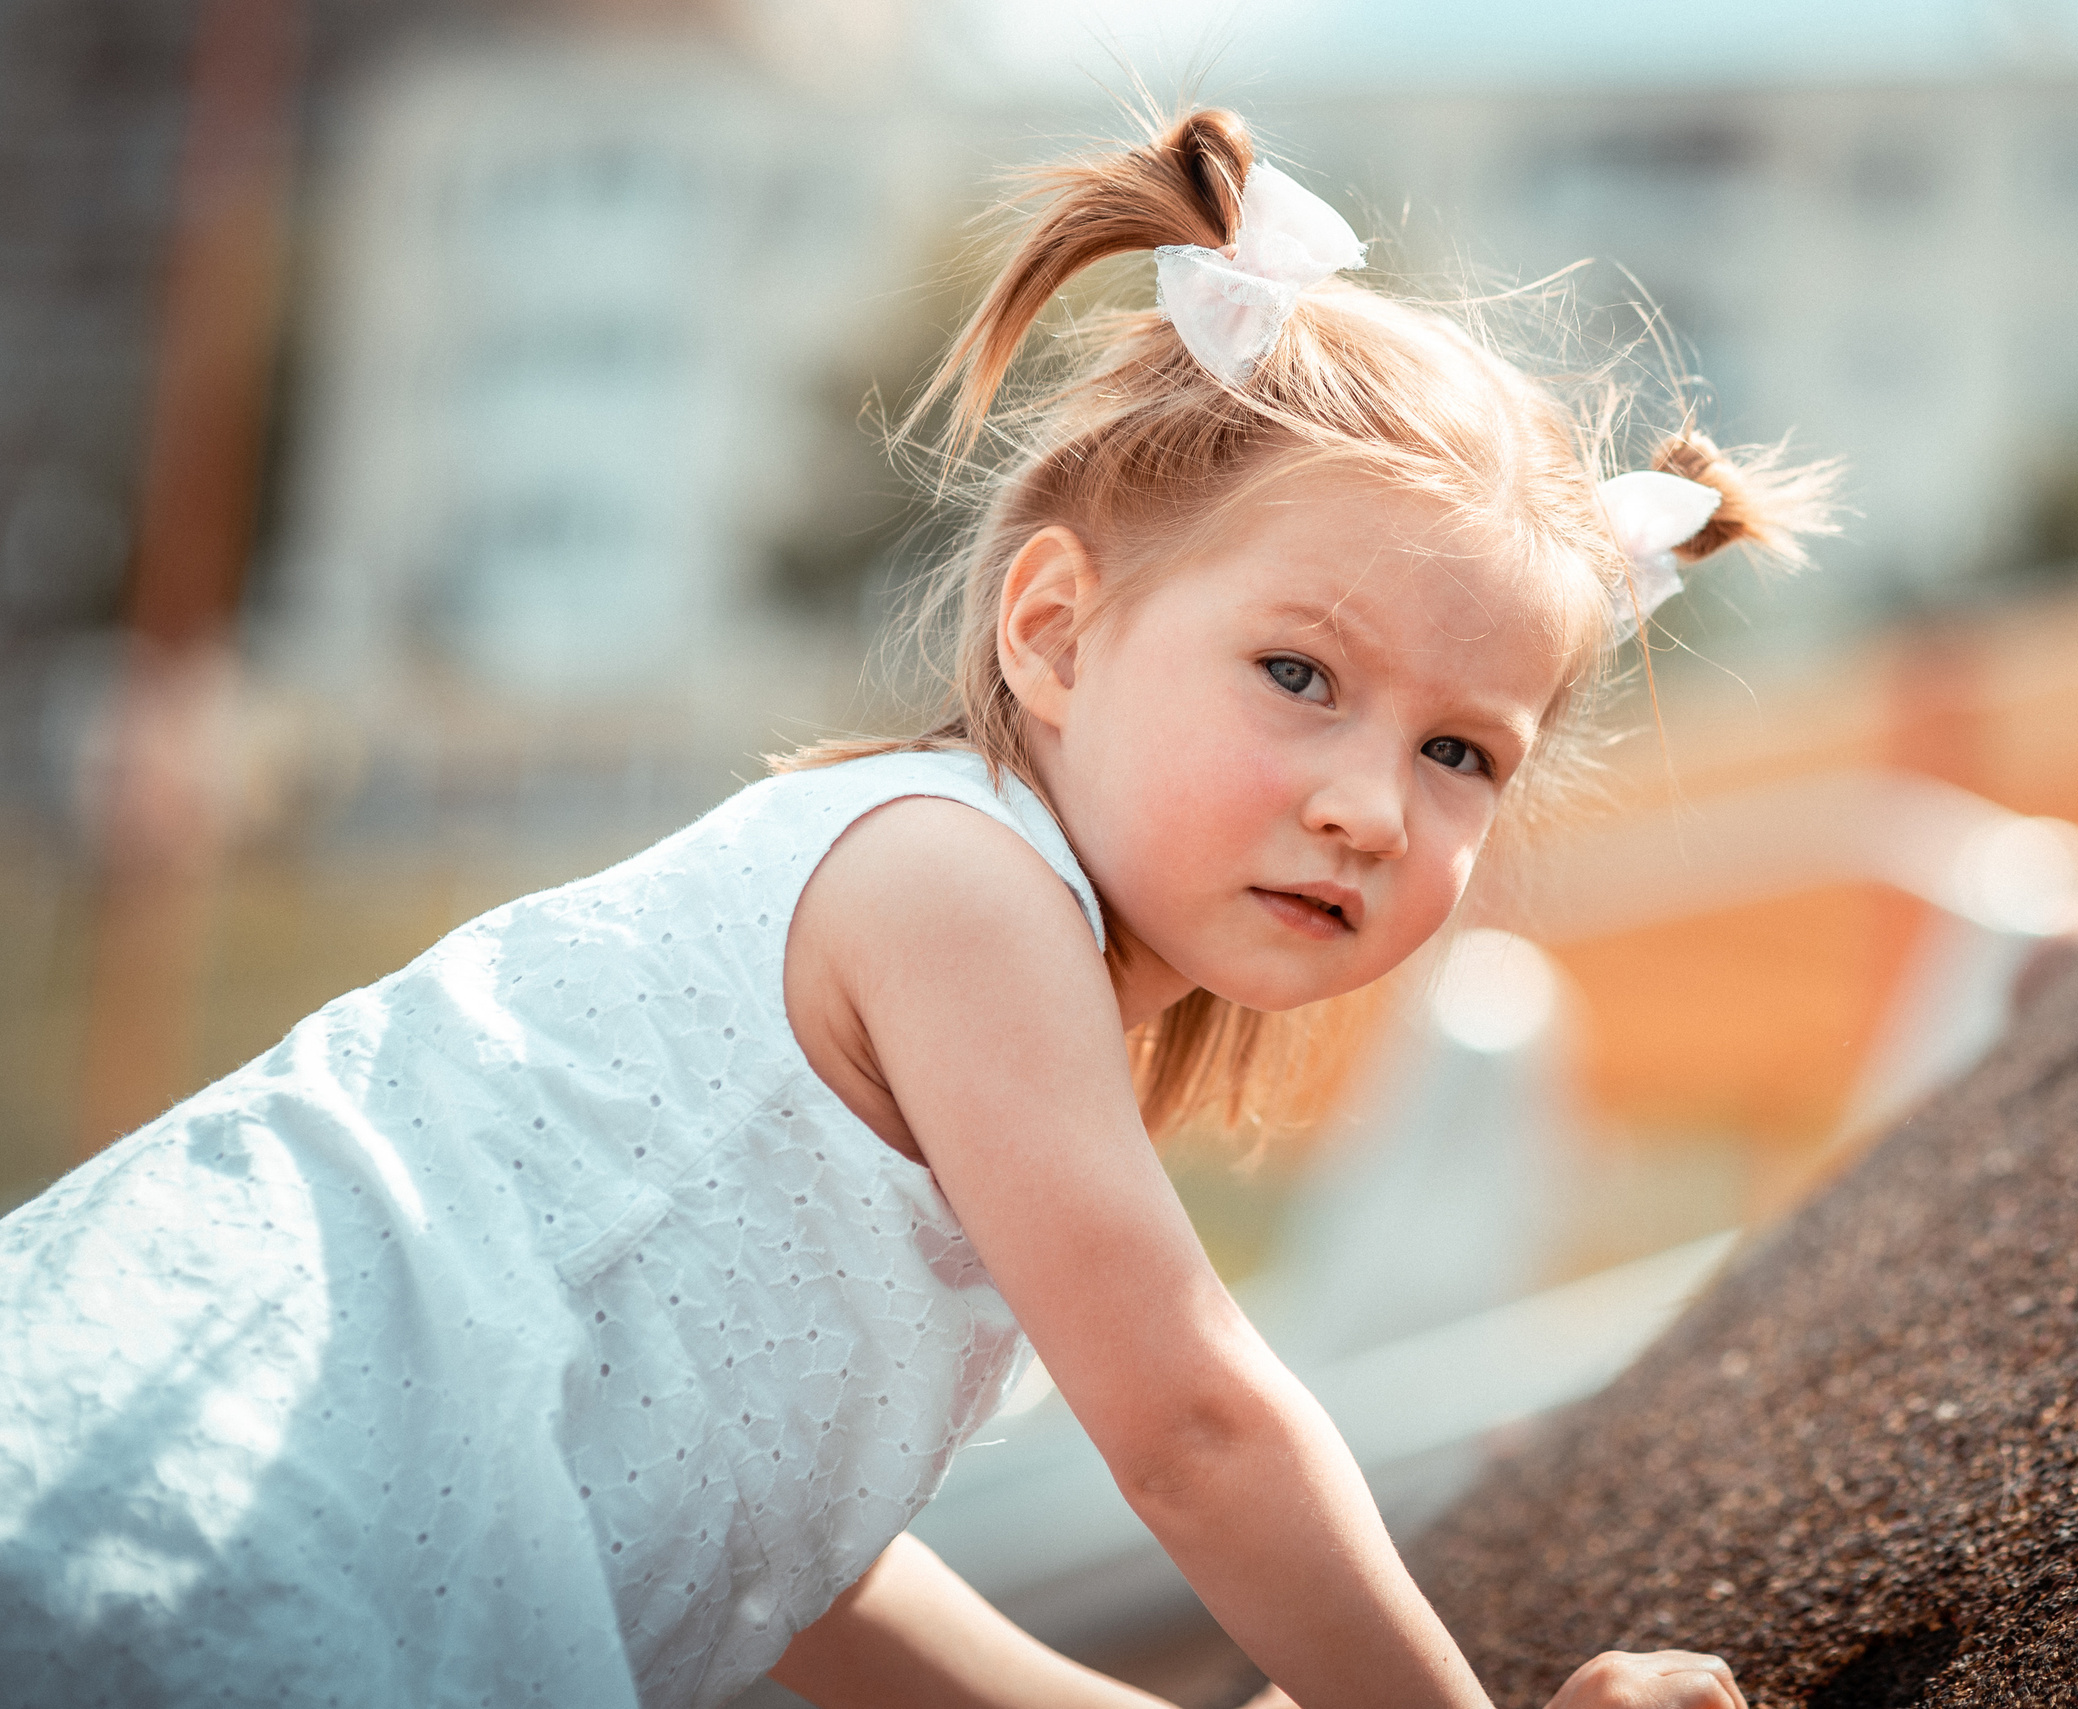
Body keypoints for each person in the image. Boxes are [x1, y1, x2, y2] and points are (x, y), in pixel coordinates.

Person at [0, 108, 1831, 1709]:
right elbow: (1197, 1430)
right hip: (193, 1503)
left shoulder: (987, 983)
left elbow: (783, 1543)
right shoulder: (950, 884)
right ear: (1053, 629)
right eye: (1297, 673)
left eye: (1462, 753)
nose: (1371, 799)